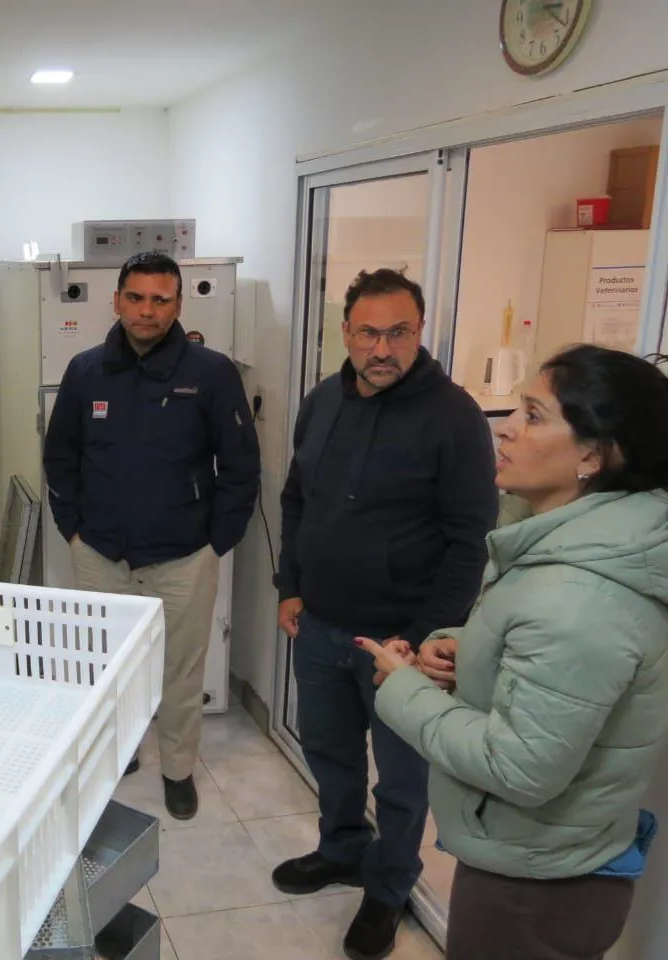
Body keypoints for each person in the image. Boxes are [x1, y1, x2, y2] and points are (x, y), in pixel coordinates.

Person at [360, 345, 668, 960]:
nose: (507, 427)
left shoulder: (580, 596)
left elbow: (520, 767)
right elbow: (551, 659)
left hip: (537, 890)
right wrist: (466, 650)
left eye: (533, 414)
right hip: (545, 864)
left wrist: (403, 688)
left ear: (593, 453)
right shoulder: (574, 545)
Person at [274, 268, 498, 959]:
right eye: (369, 332)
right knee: (329, 753)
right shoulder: (321, 401)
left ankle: (390, 888)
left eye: (399, 332)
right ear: (345, 333)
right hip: (321, 625)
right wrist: (291, 585)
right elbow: (296, 497)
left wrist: (423, 639)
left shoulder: (454, 416)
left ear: (419, 332)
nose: (383, 348)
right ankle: (342, 849)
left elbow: (469, 541)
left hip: (401, 646)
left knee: (401, 780)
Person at [43, 251, 261, 820]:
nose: (147, 310)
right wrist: (72, 528)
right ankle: (119, 755)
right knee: (106, 667)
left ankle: (178, 768)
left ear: (178, 305)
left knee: (181, 669)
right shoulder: (85, 370)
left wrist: (218, 540)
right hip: (99, 552)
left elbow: (240, 466)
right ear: (116, 301)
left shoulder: (210, 373)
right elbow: (60, 456)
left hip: (184, 554)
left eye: (161, 299)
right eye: (136, 298)